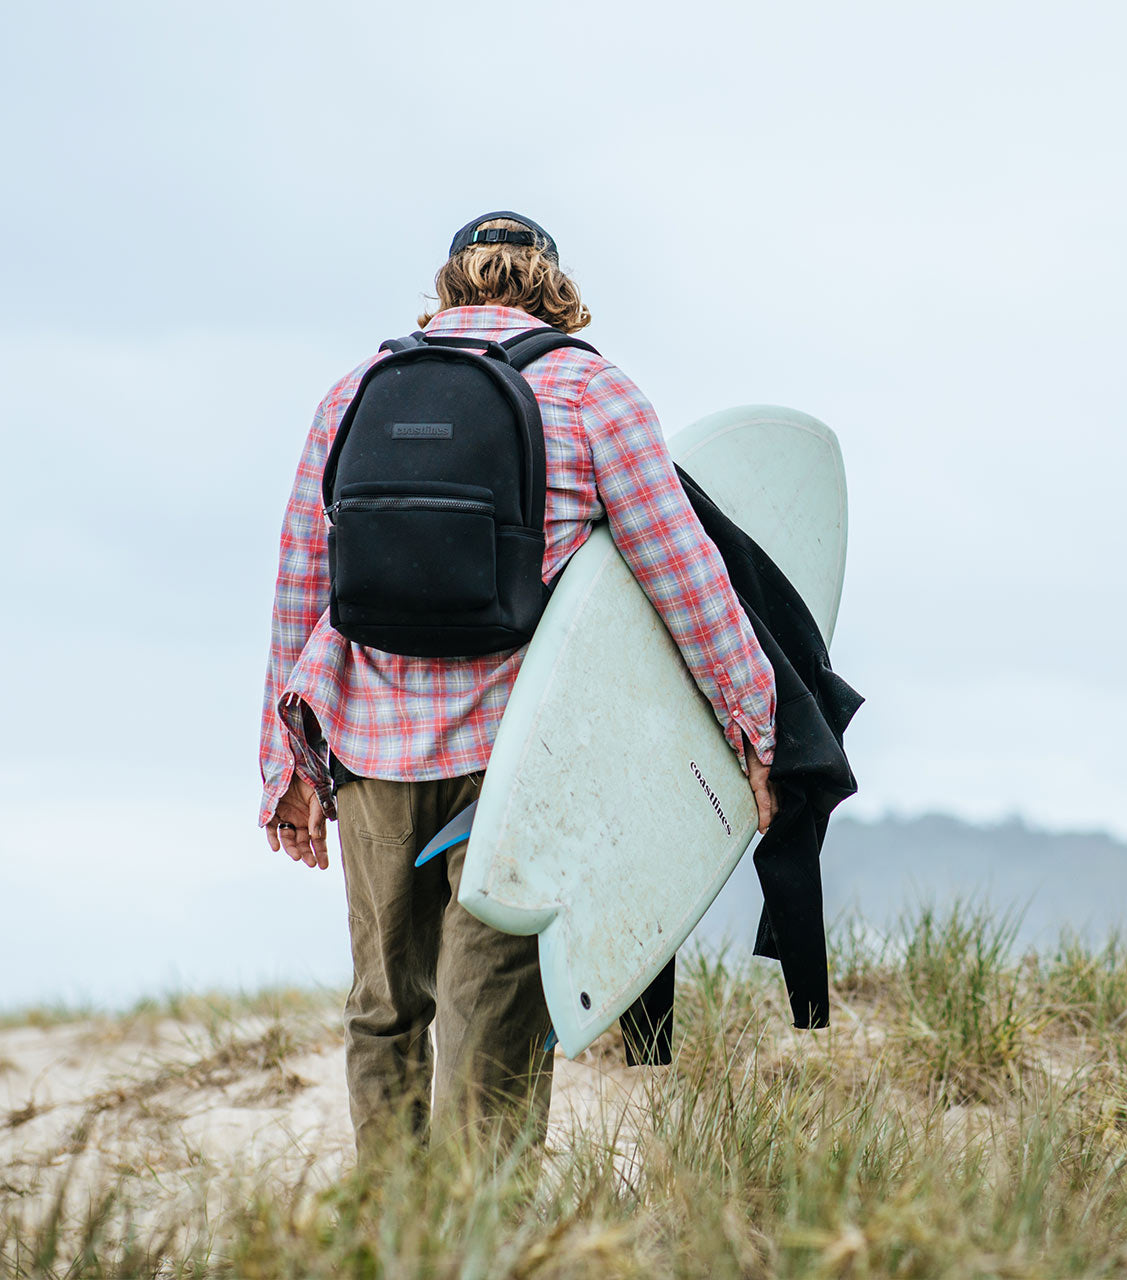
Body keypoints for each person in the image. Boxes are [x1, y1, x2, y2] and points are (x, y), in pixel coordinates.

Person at [257, 211, 780, 1160]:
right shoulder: (593, 391)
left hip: (372, 755)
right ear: (552, 288)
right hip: (520, 765)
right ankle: (483, 1242)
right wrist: (755, 727)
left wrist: (288, 764)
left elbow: (303, 586)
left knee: (384, 1010)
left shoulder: (354, 392)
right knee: (489, 1024)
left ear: (450, 288)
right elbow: (684, 578)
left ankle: (392, 1241)